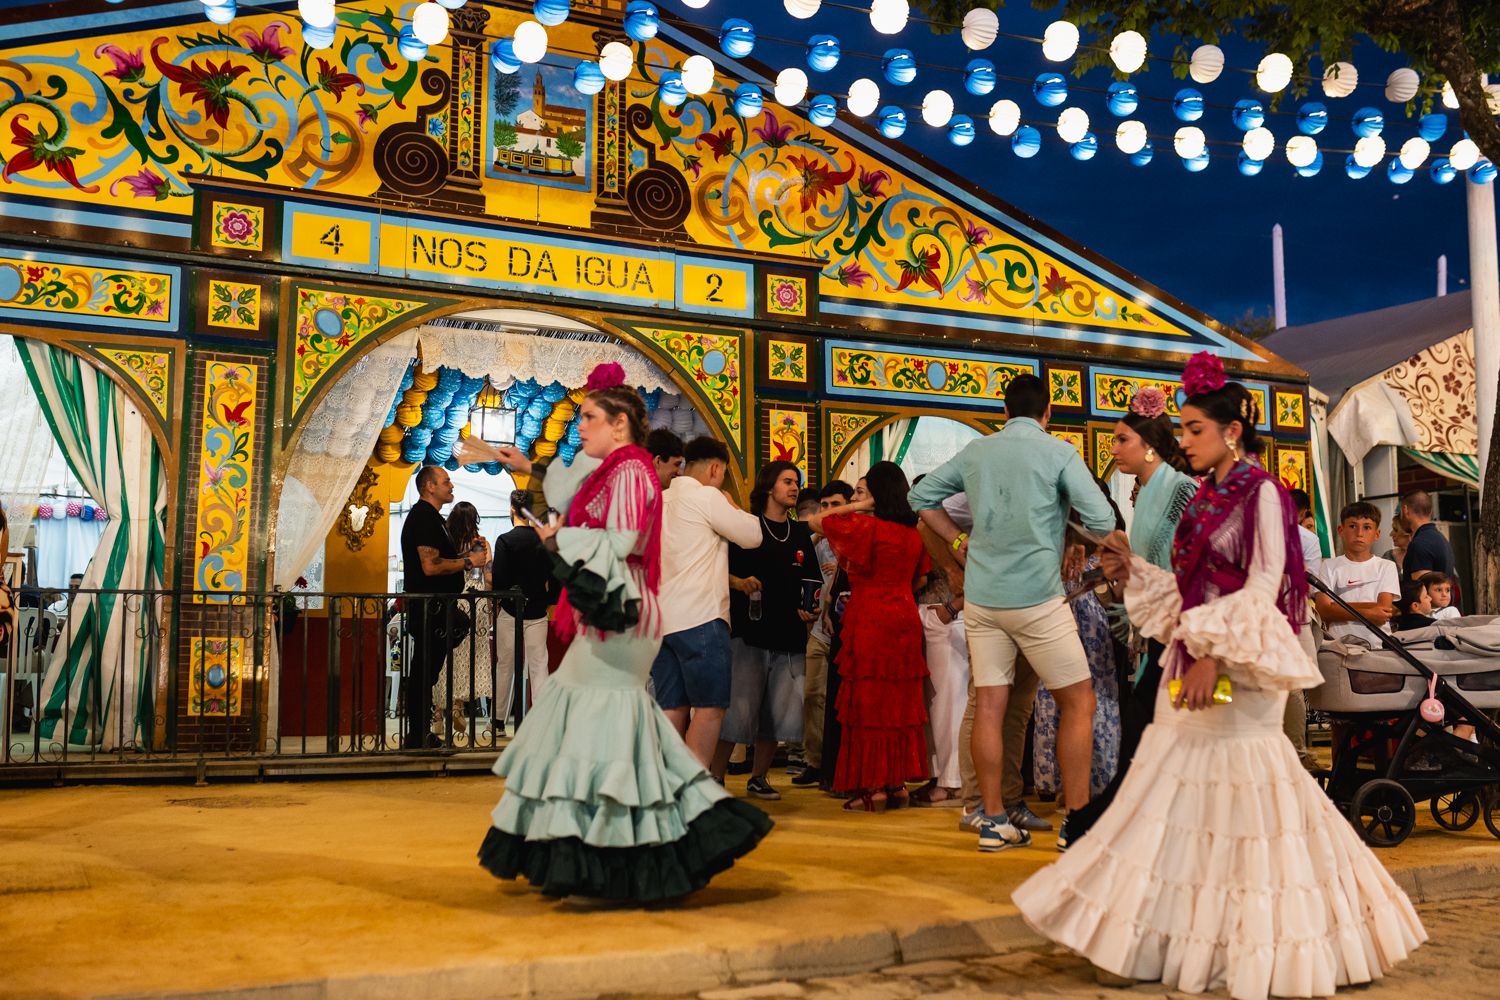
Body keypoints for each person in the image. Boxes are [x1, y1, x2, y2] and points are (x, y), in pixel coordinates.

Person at [1014, 351, 1425, 999]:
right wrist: (1136, 574)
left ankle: (1278, 940)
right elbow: (1191, 589)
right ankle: (1184, 938)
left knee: (1251, 792)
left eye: (1193, 429)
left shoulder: (1262, 491)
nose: (1183, 441)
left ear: (1231, 431)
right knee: (1182, 789)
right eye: (1180, 430)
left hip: (1241, 663)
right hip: (1194, 655)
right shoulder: (1204, 495)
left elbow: (1264, 582)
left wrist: (1214, 654)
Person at [471, 363, 771, 901]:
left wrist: (562, 539)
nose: (579, 425)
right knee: (604, 729)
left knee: (604, 726)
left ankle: (623, 850)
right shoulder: (616, 470)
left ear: (620, 426)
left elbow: (626, 539)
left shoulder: (630, 470)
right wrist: (532, 478)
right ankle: (611, 848)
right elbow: (574, 508)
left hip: (622, 610)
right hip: (613, 607)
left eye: (589, 417)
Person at [910, 373, 1117, 853]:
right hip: (1038, 598)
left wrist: (959, 541)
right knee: (1079, 702)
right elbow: (1103, 520)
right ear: (1048, 414)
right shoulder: (1058, 451)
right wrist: (1063, 517)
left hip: (983, 599)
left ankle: (993, 819)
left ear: (1003, 412)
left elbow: (920, 498)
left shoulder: (979, 451)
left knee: (991, 706)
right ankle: (1077, 822)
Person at [804, 463, 931, 811]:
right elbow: (920, 580)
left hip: (871, 615)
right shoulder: (913, 532)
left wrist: (860, 505)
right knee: (898, 704)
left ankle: (874, 787)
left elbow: (820, 521)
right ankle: (897, 783)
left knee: (869, 704)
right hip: (904, 615)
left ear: (876, 494)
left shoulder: (868, 526)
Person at [651, 435, 762, 768]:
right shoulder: (707, 497)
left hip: (662, 621)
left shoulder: (658, 500)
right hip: (700, 617)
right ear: (716, 468)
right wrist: (732, 506)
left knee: (672, 705)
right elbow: (752, 535)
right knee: (711, 706)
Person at [715, 461, 820, 801]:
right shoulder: (746, 528)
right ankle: (713, 777)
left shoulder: (800, 532)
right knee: (737, 710)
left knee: (777, 713)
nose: (794, 487)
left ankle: (759, 777)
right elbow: (719, 571)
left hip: (789, 633)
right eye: (787, 481)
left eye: (797, 482)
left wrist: (811, 606)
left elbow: (812, 580)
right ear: (769, 487)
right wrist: (739, 583)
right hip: (750, 632)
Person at [400, 466, 487, 750]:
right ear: (429, 487)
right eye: (446, 481)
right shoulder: (423, 518)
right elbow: (430, 565)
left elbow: (441, 558)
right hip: (429, 608)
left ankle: (420, 734)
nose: (451, 485)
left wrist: (466, 555)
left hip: (436, 607)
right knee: (424, 672)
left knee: (428, 672)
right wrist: (468, 563)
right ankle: (417, 736)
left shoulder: (433, 519)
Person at [1033, 523, 1122, 801]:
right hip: (1069, 623)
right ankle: (1070, 786)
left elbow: (1114, 596)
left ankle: (1086, 784)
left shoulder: (1093, 552)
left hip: (1084, 626)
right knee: (1070, 702)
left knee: (1085, 701)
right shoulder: (1055, 552)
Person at [911, 484, 969, 808]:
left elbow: (975, 571)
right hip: (935, 616)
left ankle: (952, 781)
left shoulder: (956, 534)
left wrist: (954, 606)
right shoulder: (934, 531)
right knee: (936, 705)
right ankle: (941, 778)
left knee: (949, 705)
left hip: (948, 616)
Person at [795, 480, 853, 787]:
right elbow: (801, 573)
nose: (829, 511)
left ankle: (839, 762)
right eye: (825, 506)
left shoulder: (858, 536)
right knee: (812, 694)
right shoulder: (818, 541)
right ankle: (814, 760)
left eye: (835, 504)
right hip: (819, 629)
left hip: (850, 629)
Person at [490, 490, 557, 726]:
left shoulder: (505, 541)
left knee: (505, 664)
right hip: (538, 610)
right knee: (539, 665)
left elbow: (499, 580)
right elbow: (556, 575)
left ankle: (498, 720)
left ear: (511, 510)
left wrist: (504, 597)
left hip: (510, 609)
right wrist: (549, 599)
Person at [433, 500, 493, 743]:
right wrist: (491, 605)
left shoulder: (447, 542)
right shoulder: (481, 544)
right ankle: (458, 706)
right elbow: (488, 576)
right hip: (476, 601)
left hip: (454, 599)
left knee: (445, 657)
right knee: (470, 656)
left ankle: (437, 714)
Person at [1315, 502, 1401, 647]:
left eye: (1367, 527)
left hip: (1378, 646)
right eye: (1352, 526)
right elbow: (1323, 611)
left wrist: (1335, 606)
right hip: (1337, 647)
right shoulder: (1328, 566)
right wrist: (1368, 613)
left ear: (1377, 534)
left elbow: (1382, 613)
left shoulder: (1386, 566)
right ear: (1341, 530)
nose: (1359, 533)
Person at [1400, 490, 1460, 610]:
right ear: (1430, 511)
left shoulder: (1420, 543)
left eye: (1400, 511)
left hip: (1430, 621)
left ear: (1405, 510)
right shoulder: (1440, 538)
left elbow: (1422, 594)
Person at [1288, 488, 1323, 578]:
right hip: (1294, 591)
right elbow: (1311, 579)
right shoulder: (1309, 539)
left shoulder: (1261, 531)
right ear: (1304, 512)